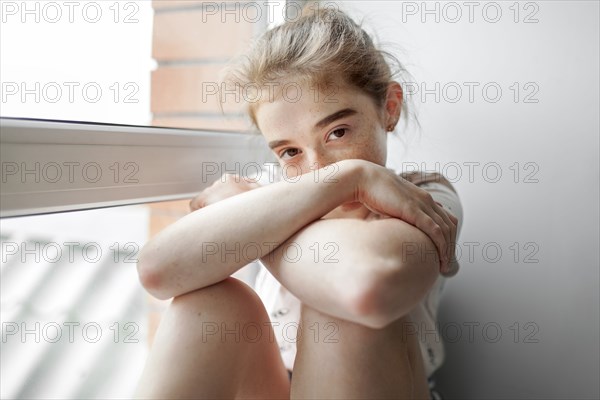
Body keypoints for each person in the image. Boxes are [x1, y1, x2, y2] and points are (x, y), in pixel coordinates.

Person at [134, 5, 463, 400]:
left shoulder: (422, 197)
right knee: (214, 302)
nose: (317, 168)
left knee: (339, 309)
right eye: (290, 152)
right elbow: (158, 270)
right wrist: (349, 176)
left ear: (388, 108)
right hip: (276, 385)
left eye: (337, 131)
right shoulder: (273, 193)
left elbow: (365, 288)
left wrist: (260, 226)